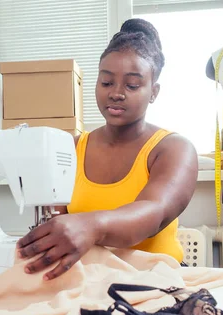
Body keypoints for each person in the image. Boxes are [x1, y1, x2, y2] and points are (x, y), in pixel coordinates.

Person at [17, 18, 199, 281]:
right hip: (90, 279)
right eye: (106, 82)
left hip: (155, 280)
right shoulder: (69, 148)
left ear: (153, 92)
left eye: (132, 85)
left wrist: (92, 225)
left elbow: (154, 212)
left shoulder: (174, 149)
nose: (116, 93)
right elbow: (55, 224)